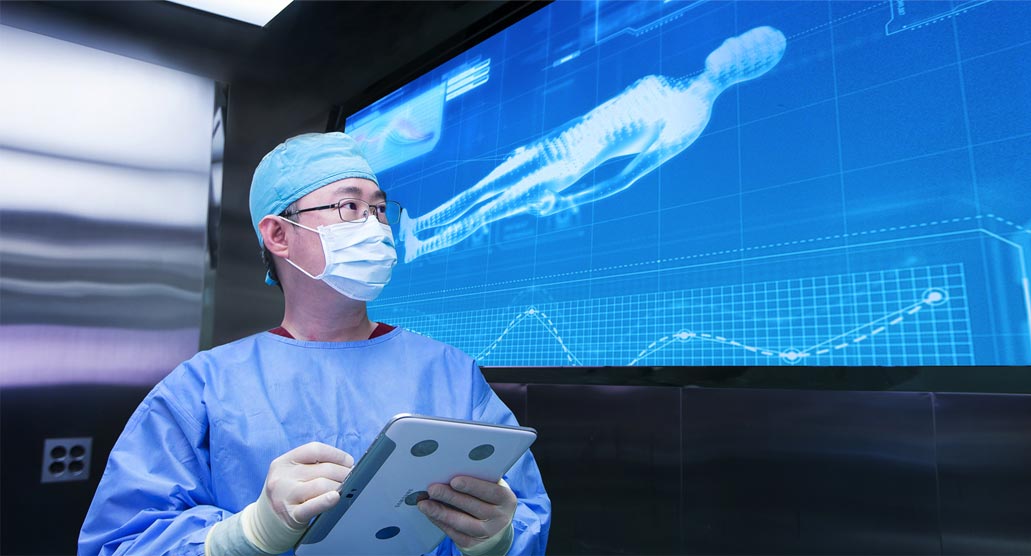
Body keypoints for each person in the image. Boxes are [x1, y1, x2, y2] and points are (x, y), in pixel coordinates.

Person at [78, 132, 551, 556]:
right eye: (350, 207)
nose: (375, 226)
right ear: (279, 234)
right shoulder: (201, 388)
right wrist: (244, 536)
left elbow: (525, 512)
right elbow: (122, 542)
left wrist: (497, 540)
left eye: (379, 209)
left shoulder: (451, 373)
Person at [398, 25, 786, 263]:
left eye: (743, 49)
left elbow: (625, 178)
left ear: (747, 68)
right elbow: (594, 116)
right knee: (476, 192)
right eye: (739, 40)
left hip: (565, 168)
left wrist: (566, 199)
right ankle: (418, 227)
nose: (731, 43)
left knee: (484, 213)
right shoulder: (668, 82)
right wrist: (539, 141)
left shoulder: (692, 116)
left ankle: (420, 249)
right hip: (552, 146)